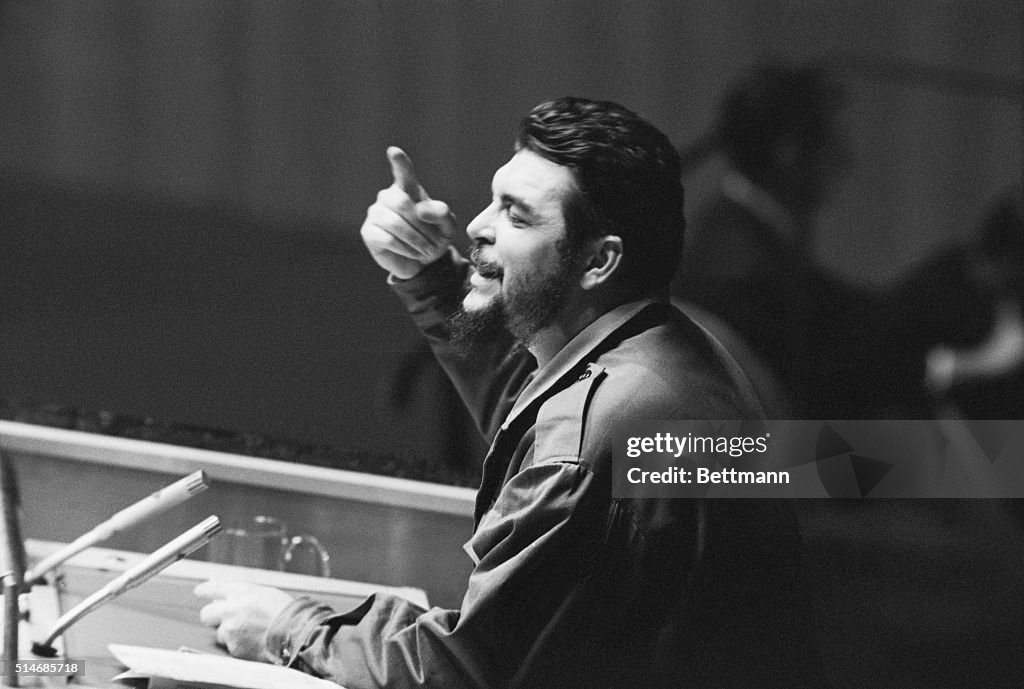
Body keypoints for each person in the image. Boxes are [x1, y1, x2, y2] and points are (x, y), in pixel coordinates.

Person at [195, 97, 823, 688]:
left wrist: (290, 629)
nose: (475, 225)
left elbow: (463, 672)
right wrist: (433, 280)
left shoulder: (594, 438)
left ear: (597, 261)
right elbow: (536, 406)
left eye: (516, 214)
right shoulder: (669, 357)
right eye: (494, 202)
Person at [672, 63, 916, 418]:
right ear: (789, 153)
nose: (845, 159)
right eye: (832, 142)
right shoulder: (746, 267)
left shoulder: (726, 231)